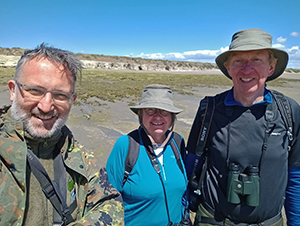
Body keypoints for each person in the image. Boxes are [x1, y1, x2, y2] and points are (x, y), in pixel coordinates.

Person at [185, 28, 300, 226]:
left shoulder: (289, 111)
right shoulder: (209, 109)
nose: (247, 70)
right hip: (212, 220)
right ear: (228, 68)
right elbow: (191, 165)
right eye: (238, 61)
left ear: (271, 68)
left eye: (257, 60)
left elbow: (296, 176)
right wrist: (184, 213)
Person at [0, 43, 124, 226]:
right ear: (13, 90)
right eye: (35, 90)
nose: (46, 106)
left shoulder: (78, 155)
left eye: (60, 95)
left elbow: (111, 203)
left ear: (72, 100)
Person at [106, 84, 188, 226]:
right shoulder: (126, 145)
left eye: (164, 111)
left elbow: (183, 194)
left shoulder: (177, 142)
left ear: (172, 117)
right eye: (150, 110)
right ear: (141, 115)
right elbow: (107, 199)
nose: (158, 116)